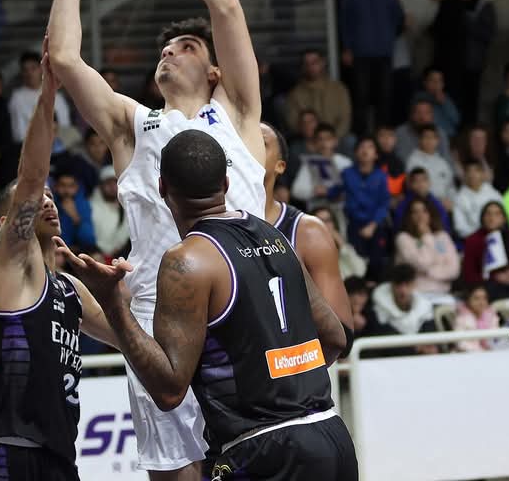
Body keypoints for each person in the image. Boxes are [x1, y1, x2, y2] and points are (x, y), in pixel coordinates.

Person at [44, 0, 268, 480]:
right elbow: (63, 58)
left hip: (241, 301)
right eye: (165, 50)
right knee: (176, 473)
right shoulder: (132, 124)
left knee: (260, 462)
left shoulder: (238, 113)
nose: (169, 52)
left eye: (188, 47)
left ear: (215, 72)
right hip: (156, 318)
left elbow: (225, 4)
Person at [64, 129, 357, 480]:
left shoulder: (187, 260)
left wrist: (112, 302)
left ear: (162, 188)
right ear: (226, 183)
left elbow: (169, 390)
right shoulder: (276, 236)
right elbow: (336, 338)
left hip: (264, 449)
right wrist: (287, 381)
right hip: (331, 435)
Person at [0, 45, 117, 481]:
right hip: (9, 454)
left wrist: (116, 296)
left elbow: (130, 341)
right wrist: (48, 94)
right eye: (37, 199)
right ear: (6, 224)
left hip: (59, 459)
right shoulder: (14, 268)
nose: (46, 200)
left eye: (51, 196)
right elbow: (31, 178)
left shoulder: (70, 288)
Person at [261, 123, 354, 349]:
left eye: (262, 143)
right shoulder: (206, 226)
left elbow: (342, 335)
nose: (247, 146)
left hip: (291, 364)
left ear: (280, 166)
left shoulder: (307, 231)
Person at [339, 0, 403, 135]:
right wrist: (347, 47)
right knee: (361, 97)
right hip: (359, 52)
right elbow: (344, 20)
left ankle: (382, 136)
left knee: (385, 96)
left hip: (384, 52)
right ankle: (362, 138)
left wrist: (389, 37)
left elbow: (397, 16)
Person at [342, 137, 391, 280]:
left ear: (376, 154)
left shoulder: (381, 176)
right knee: (355, 261)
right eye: (361, 147)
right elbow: (336, 191)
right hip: (353, 224)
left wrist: (372, 225)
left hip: (375, 224)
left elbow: (384, 203)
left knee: (377, 262)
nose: (365, 150)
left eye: (370, 147)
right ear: (356, 152)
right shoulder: (347, 173)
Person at [394, 198, 459, 300]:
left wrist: (428, 272)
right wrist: (426, 236)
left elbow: (454, 270)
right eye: (415, 212)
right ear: (409, 217)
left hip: (443, 294)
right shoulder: (403, 238)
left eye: (424, 211)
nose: (420, 215)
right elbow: (423, 263)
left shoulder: (442, 237)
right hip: (416, 295)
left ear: (430, 214)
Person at [284, 50, 351, 139]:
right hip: (308, 140)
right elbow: (293, 123)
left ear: (322, 63)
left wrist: (331, 138)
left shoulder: (339, 89)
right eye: (307, 63)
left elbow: (345, 118)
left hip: (336, 139)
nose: (311, 67)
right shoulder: (295, 94)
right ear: (302, 67)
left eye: (314, 62)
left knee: (350, 140)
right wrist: (313, 140)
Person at [8, 51, 72, 144]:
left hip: (57, 146)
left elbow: (65, 126)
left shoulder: (56, 96)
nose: (29, 73)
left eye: (33, 68)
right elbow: (18, 132)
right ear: (21, 73)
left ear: (41, 69)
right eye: (25, 70)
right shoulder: (17, 97)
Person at [291, 123, 351, 210]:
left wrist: (332, 192)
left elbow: (354, 191)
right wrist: (314, 191)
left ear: (335, 141)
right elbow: (296, 191)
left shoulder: (345, 163)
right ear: (314, 143)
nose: (324, 143)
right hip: (317, 211)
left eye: (328, 139)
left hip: (341, 210)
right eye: (320, 139)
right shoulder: (309, 163)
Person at [453, 158, 503, 239]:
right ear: (464, 175)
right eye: (469, 171)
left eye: (476, 170)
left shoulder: (492, 192)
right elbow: (460, 227)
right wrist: (480, 235)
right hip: (474, 238)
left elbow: (503, 217)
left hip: (497, 234)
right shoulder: (459, 198)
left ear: (483, 174)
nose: (472, 174)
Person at [404, 125, 454, 203]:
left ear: (437, 141)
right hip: (423, 203)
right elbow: (414, 187)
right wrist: (437, 201)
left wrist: (451, 201)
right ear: (420, 140)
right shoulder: (413, 161)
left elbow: (451, 187)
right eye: (426, 137)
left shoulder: (442, 162)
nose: (429, 141)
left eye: (432, 137)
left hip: (444, 204)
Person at [89, 166, 130, 259]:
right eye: (108, 183)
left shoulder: (127, 207)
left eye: (115, 182)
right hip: (95, 254)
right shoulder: (91, 206)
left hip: (120, 256)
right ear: (101, 186)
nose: (112, 187)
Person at [53, 172, 96, 254]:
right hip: (57, 250)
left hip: (81, 251)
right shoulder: (50, 203)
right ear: (55, 186)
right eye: (62, 185)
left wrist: (75, 216)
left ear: (77, 187)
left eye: (71, 186)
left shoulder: (83, 205)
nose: (66, 190)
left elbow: (89, 240)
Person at [454, 284, 499, 352]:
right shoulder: (461, 319)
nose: (481, 302)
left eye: (484, 298)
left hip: (491, 352)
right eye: (476, 298)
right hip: (469, 354)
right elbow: (461, 343)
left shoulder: (492, 316)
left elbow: (496, 339)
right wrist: (481, 351)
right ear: (468, 300)